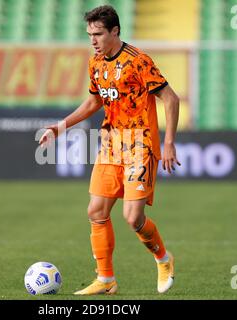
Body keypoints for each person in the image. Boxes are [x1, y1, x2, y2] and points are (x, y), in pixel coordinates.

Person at [39, 5, 180, 295]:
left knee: (133, 218)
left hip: (140, 145)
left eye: (98, 34)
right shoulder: (96, 63)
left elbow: (171, 99)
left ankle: (163, 259)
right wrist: (59, 126)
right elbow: (93, 102)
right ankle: (106, 280)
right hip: (111, 144)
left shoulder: (138, 61)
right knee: (96, 210)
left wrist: (168, 143)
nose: (93, 40)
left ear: (115, 31)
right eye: (90, 34)